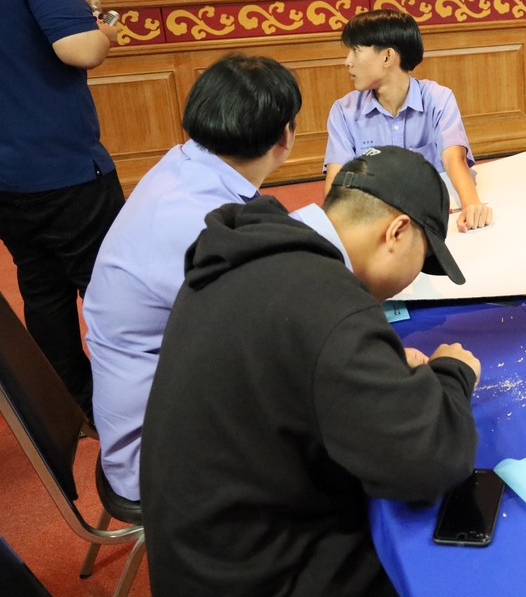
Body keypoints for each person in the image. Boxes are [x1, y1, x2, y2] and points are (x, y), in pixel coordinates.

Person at [141, 146, 480, 597]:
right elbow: (430, 462)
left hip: (198, 554)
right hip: (255, 576)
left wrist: (373, 363)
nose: (414, 277)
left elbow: (295, 359)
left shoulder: (255, 251)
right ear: (397, 232)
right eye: (423, 259)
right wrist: (451, 373)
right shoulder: (327, 303)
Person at [83, 53, 301, 502]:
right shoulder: (198, 219)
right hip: (158, 455)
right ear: (285, 137)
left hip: (160, 402)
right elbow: (275, 331)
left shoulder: (182, 165)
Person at [0, 0, 124, 417]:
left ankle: (71, 405)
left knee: (40, 284)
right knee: (109, 285)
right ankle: (131, 400)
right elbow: (78, 50)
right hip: (61, 167)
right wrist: (103, 32)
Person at [323, 9, 491, 232]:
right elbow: (337, 184)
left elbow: (454, 158)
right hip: (376, 223)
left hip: (434, 217)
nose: (348, 61)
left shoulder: (438, 99)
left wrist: (471, 205)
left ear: (387, 57)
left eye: (356, 50)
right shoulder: (343, 112)